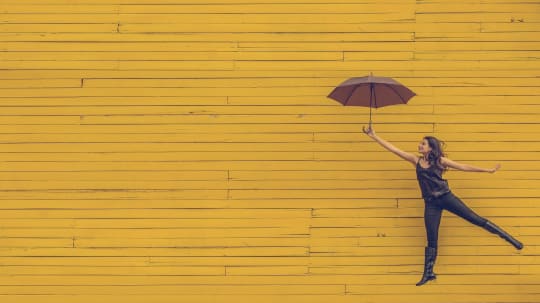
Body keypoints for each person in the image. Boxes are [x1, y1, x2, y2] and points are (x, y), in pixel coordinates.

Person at [362, 125, 523, 286]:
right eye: (421, 143)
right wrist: (374, 136)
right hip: (431, 204)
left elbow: (463, 166)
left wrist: (487, 170)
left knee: (475, 219)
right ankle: (429, 273)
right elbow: (395, 150)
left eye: (423, 143)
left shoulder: (440, 161)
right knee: (431, 238)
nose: (419, 145)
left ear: (431, 148)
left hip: (446, 197)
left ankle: (510, 239)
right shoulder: (415, 160)